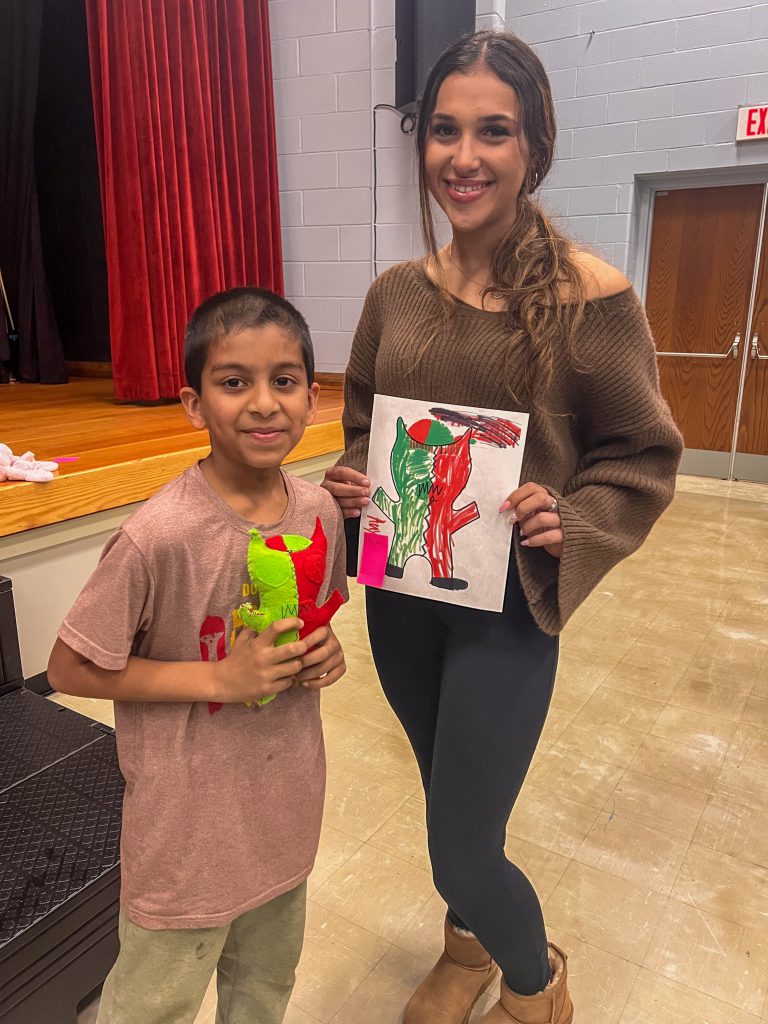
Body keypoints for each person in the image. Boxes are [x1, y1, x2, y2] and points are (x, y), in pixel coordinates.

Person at [322, 30, 683, 1024]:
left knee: (463, 841)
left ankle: (536, 982)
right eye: (444, 130)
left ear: (535, 147)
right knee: (449, 795)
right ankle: (466, 942)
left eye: (493, 131)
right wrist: (355, 480)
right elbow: (362, 428)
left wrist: (569, 519)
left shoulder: (591, 299)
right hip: (403, 598)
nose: (463, 156)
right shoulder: (395, 295)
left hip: (507, 613)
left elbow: (643, 453)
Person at [47, 287, 348, 1024]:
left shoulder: (319, 513)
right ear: (192, 403)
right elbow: (67, 667)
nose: (264, 403)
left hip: (283, 820)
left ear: (313, 398)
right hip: (185, 844)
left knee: (264, 992)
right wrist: (220, 676)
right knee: (151, 1007)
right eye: (233, 381)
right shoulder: (160, 535)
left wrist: (323, 653)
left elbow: (321, 617)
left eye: (284, 381)